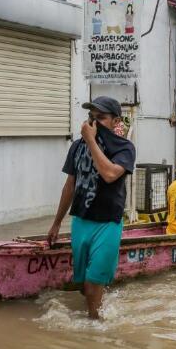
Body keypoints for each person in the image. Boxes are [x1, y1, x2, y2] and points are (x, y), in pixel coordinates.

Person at [47, 96, 135, 319]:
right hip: (81, 220)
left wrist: (92, 141)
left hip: (108, 222)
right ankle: (95, 310)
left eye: (101, 118)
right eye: (91, 117)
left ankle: (94, 325)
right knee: (83, 284)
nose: (94, 123)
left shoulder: (124, 147)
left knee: (95, 279)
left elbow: (109, 174)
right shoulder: (77, 146)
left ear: (115, 121)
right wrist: (57, 223)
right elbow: (69, 186)